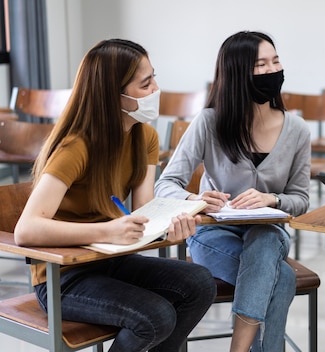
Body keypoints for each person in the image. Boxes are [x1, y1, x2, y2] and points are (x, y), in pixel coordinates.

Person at [13, 39, 216, 352]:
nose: (156, 89)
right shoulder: (75, 147)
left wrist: (181, 212)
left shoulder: (144, 136)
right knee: (155, 316)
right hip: (62, 278)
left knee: (199, 284)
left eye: (154, 78)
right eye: (145, 83)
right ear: (113, 95)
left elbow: (145, 211)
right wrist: (108, 230)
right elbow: (27, 230)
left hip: (110, 260)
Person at [155, 31, 310, 352]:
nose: (272, 71)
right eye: (261, 65)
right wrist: (193, 199)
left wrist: (273, 199)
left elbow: (302, 199)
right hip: (212, 234)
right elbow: (165, 184)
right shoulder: (209, 122)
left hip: (269, 231)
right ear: (238, 74)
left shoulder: (297, 130)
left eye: (276, 61)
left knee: (265, 238)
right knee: (281, 279)